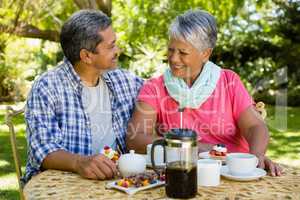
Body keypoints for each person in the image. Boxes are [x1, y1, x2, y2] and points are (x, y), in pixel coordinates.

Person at [126, 9, 282, 176]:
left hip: (231, 173)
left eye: (182, 53)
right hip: (183, 173)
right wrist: (190, 148)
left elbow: (255, 126)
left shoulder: (229, 82)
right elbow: (135, 138)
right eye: (171, 50)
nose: (173, 58)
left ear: (205, 53)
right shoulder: (155, 87)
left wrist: (257, 156)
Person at [23, 9, 143, 184]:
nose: (118, 50)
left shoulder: (123, 81)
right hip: (61, 185)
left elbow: (160, 89)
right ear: (86, 56)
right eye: (111, 46)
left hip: (116, 184)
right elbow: (43, 150)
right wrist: (80, 163)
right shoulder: (47, 87)